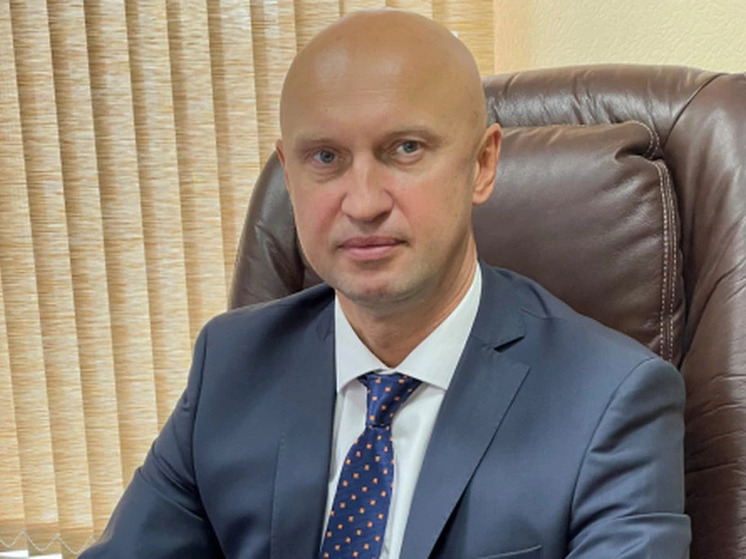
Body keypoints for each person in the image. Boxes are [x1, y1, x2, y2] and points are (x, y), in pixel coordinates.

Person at [81, 9, 691, 559]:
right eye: (325, 158)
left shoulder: (610, 400)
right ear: (288, 175)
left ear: (483, 164)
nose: (364, 203)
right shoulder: (231, 365)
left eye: (405, 149)